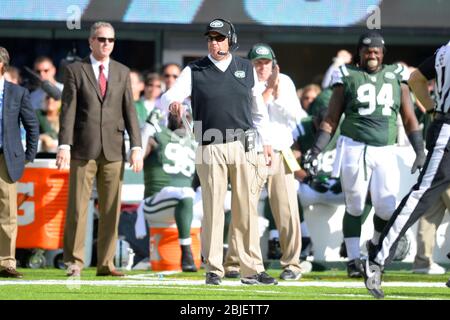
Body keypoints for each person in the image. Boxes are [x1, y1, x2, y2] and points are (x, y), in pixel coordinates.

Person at [304, 31, 426, 280]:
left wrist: (420, 149)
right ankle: (352, 259)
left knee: (385, 207)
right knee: (356, 203)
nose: (372, 54)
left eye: (376, 51)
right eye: (367, 50)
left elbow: (409, 117)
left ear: (383, 53)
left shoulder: (396, 76)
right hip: (354, 146)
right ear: (359, 52)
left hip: (385, 149)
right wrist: (316, 150)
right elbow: (331, 118)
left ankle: (374, 245)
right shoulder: (347, 75)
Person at [162, 18, 275, 285]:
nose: (215, 42)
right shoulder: (194, 70)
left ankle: (252, 268)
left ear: (231, 40)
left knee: (246, 207)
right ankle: (214, 268)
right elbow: (169, 95)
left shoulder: (246, 68)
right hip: (208, 143)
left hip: (245, 142)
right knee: (212, 208)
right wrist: (174, 102)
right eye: (211, 38)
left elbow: (259, 111)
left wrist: (266, 142)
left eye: (220, 37)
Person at [360, 41, 450, 298]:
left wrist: (432, 109)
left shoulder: (444, 50)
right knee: (422, 196)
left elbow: (416, 78)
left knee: (422, 196)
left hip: (443, 121)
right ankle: (377, 258)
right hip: (448, 131)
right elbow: (415, 79)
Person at [56, 21, 143, 277]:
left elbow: (130, 112)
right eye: (102, 39)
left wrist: (136, 146)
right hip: (83, 147)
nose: (106, 44)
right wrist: (64, 145)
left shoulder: (122, 71)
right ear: (91, 41)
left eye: (111, 40)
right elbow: (68, 111)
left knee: (111, 208)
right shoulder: (75, 70)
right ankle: (74, 261)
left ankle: (106, 263)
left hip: (115, 149)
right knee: (77, 207)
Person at [223, 43, 303, 281]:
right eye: (257, 62)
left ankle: (292, 263)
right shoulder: (240, 81)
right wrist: (266, 92)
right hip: (250, 151)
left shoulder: (285, 82)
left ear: (273, 64)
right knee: (243, 208)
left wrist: (276, 95)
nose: (261, 67)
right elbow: (243, 115)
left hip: (279, 152)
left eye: (265, 62)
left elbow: (297, 115)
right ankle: (234, 262)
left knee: (287, 208)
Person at [135, 110, 198, 272]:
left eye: (186, 115)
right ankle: (186, 253)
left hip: (185, 201)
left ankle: (223, 258)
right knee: (185, 193)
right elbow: (136, 158)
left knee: (227, 201)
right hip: (155, 201)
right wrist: (147, 128)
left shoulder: (194, 142)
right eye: (178, 115)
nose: (183, 119)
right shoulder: (157, 137)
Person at [0, 47, 39, 278]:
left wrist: (28, 156)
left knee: (7, 211)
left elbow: (32, 125)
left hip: (6, 157)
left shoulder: (18, 93)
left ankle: (6, 262)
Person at [412, 186, 449, 275]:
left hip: (436, 176)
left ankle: (423, 262)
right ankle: (423, 261)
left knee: (430, 216)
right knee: (430, 216)